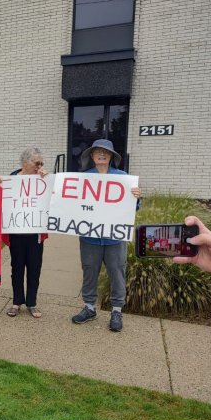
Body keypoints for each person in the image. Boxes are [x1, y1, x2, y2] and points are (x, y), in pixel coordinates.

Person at [72, 139, 141, 332]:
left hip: (114, 237)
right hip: (90, 237)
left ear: (111, 156)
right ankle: (89, 307)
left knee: (117, 272)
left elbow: (132, 208)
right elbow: (72, 205)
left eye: (106, 152)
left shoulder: (123, 178)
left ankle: (117, 310)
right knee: (89, 271)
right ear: (92, 156)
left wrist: (136, 198)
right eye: (98, 152)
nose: (102, 155)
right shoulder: (84, 178)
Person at [0, 147, 48, 319]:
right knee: (17, 268)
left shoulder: (43, 180)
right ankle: (17, 301)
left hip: (35, 234)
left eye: (41, 163)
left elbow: (52, 199)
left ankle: (32, 303)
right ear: (25, 162)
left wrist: (48, 181)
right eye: (37, 163)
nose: (39, 166)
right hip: (16, 232)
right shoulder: (11, 180)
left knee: (34, 269)